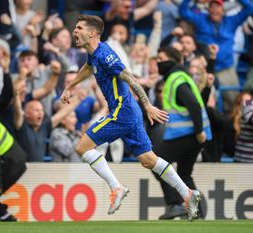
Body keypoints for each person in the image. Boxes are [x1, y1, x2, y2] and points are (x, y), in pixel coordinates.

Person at [61, 14, 201, 221]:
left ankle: (116, 188)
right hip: (129, 110)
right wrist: (70, 86)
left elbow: (130, 78)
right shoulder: (94, 54)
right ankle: (188, 194)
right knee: (148, 159)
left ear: (92, 33)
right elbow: (89, 68)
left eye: (79, 28)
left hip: (123, 110)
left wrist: (148, 105)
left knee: (82, 147)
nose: (75, 31)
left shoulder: (106, 55)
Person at [154, 47, 212, 219]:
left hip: (189, 134)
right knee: (184, 174)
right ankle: (198, 213)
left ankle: (175, 205)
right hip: (194, 135)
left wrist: (199, 130)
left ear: (172, 60)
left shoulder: (175, 78)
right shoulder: (180, 76)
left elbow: (193, 105)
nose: (158, 62)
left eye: (161, 58)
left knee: (156, 162)